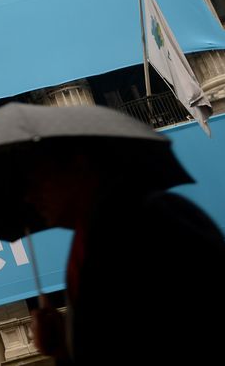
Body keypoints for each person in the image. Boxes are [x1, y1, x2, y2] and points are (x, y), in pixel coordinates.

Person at [24, 147, 225, 365]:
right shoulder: (90, 238)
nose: (31, 197)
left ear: (78, 166)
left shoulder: (152, 220)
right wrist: (63, 346)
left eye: (39, 182)